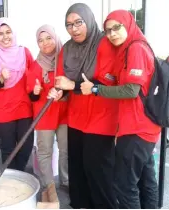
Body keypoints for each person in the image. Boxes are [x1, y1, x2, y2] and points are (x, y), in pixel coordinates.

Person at [80, 10, 160, 208]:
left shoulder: (136, 49)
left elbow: (131, 90)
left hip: (137, 129)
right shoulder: (131, 48)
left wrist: (95, 89)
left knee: (124, 186)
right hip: (145, 128)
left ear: (129, 24)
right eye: (107, 30)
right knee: (146, 180)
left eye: (117, 27)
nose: (112, 33)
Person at [54, 3, 118, 209]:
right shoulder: (67, 48)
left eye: (78, 22)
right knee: (78, 167)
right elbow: (62, 80)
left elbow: (107, 82)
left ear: (88, 20)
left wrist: (71, 85)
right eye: (69, 25)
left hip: (101, 118)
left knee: (98, 170)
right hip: (76, 117)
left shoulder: (105, 44)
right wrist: (59, 91)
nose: (74, 28)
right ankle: (80, 204)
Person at [0, 17, 34, 172]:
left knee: (25, 146)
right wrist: (1, 79)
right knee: (8, 149)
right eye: (1, 33)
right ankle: (11, 179)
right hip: (3, 112)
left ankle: (19, 173)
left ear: (13, 33)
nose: (5, 37)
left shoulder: (24, 52)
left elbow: (34, 74)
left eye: (8, 32)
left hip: (24, 108)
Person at [27, 24, 68, 193]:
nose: (45, 43)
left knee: (66, 149)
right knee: (45, 152)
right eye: (40, 40)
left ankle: (66, 181)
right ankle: (48, 185)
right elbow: (31, 95)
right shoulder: (36, 65)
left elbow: (72, 83)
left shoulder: (65, 59)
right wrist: (36, 92)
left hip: (65, 112)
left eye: (48, 38)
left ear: (55, 37)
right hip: (44, 115)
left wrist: (62, 91)